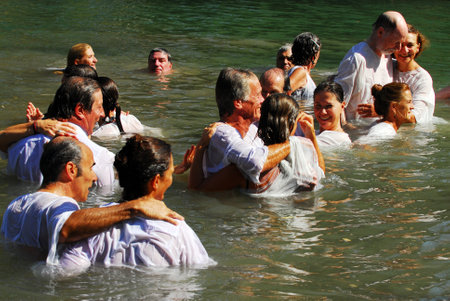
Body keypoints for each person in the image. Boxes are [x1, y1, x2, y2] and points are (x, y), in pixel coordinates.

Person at [1, 136, 184, 264]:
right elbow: (67, 229)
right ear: (71, 170)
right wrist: (136, 206)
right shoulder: (61, 206)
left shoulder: (16, 205)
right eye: (90, 167)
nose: (94, 177)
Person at [57, 135, 212, 274]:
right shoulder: (176, 228)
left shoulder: (91, 225)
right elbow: (200, 273)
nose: (171, 179)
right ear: (156, 181)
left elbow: (65, 271)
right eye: (170, 174)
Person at [188, 68, 291, 191]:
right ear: (238, 103)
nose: (263, 100)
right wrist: (291, 144)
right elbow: (255, 163)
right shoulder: (222, 134)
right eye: (258, 95)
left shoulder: (254, 126)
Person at [6, 77, 115, 186]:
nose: (102, 114)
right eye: (99, 107)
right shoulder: (101, 157)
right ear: (80, 110)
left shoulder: (21, 147)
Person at [335, 11, 408, 120]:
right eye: (396, 42)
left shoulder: (387, 57)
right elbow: (336, 102)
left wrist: (379, 111)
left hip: (378, 128)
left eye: (402, 43)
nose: (398, 48)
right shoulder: (356, 59)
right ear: (380, 32)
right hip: (355, 130)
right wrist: (346, 129)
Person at [392, 24, 435, 124]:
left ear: (418, 47)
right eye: (400, 45)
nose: (404, 50)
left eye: (410, 45)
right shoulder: (386, 66)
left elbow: (413, 118)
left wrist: (377, 113)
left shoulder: (423, 78)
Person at [313, 81, 352, 148]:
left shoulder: (339, 140)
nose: (323, 112)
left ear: (342, 107)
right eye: (318, 106)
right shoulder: (315, 133)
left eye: (328, 106)